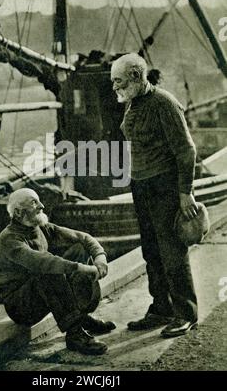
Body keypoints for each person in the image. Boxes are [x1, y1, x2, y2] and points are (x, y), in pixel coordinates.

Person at [110, 53, 198, 338]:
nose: (115, 88)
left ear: (136, 77)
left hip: (165, 187)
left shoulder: (165, 103)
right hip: (142, 186)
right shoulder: (133, 101)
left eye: (119, 81)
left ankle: (186, 314)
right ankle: (161, 308)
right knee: (151, 251)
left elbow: (187, 151)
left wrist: (185, 193)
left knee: (172, 251)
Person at [0, 188, 116, 355]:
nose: (42, 205)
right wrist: (85, 268)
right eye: (34, 202)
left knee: (79, 249)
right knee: (48, 269)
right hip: (20, 306)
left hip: (41, 294)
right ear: (18, 212)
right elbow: (43, 263)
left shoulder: (40, 227)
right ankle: (74, 335)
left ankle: (81, 318)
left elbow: (83, 238)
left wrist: (100, 258)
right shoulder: (8, 239)